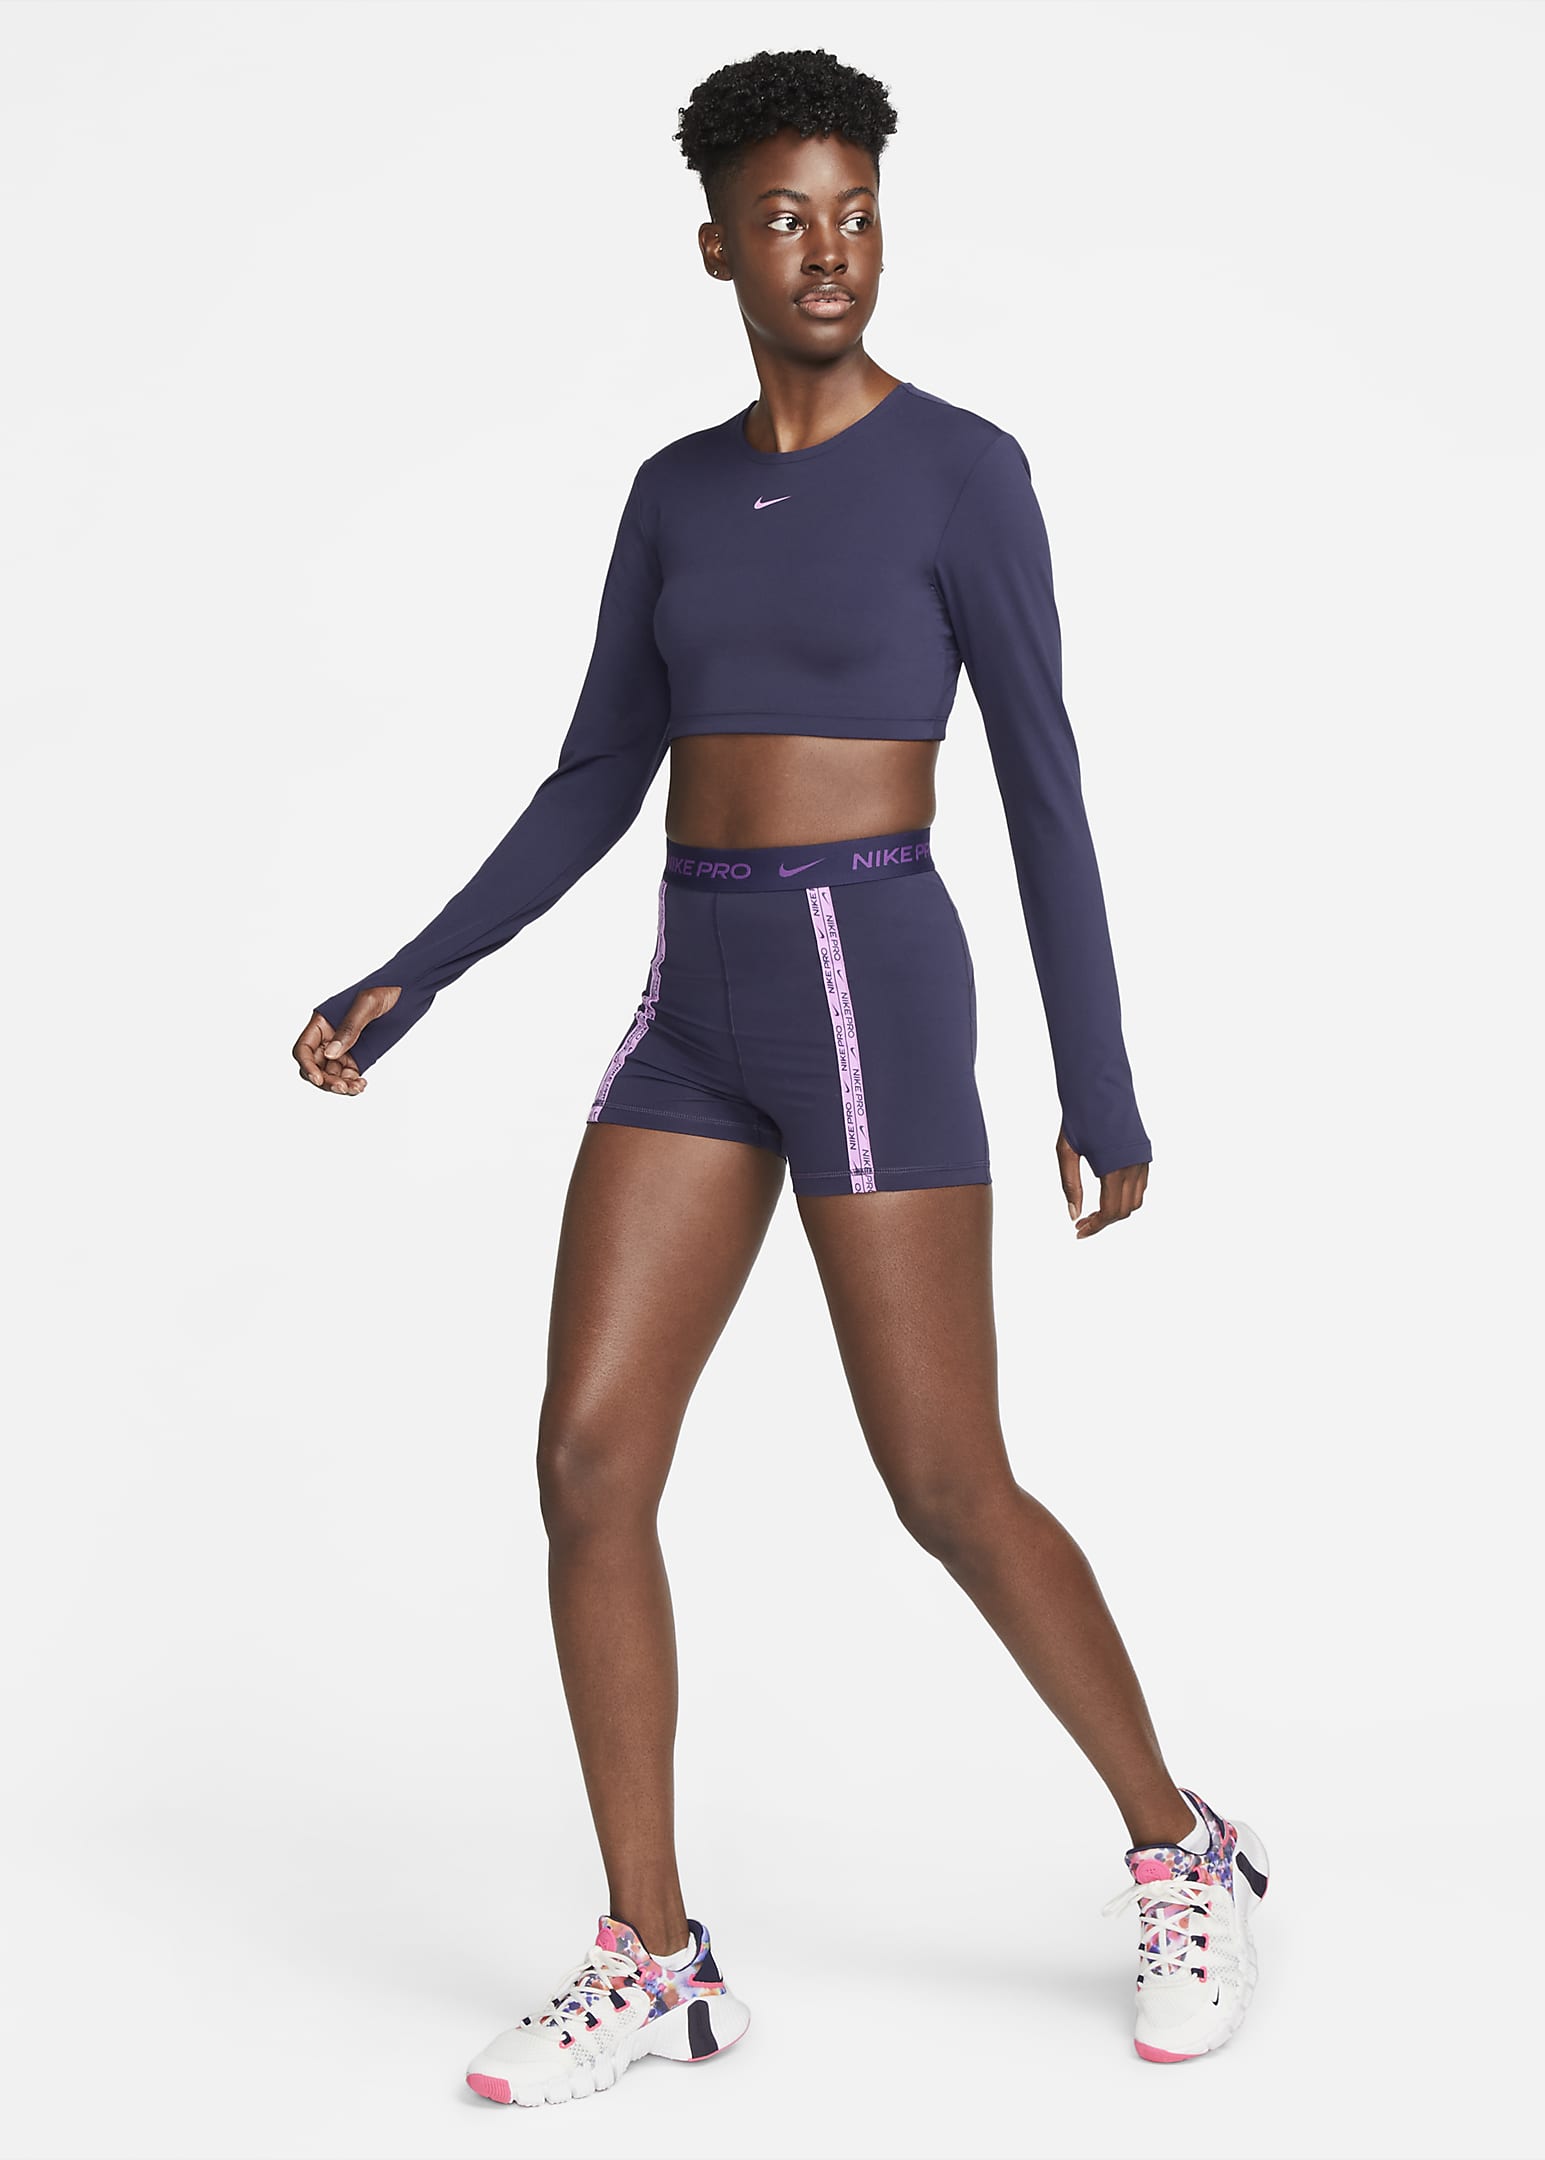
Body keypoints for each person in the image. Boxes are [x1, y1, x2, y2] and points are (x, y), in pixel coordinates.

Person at [294, 46, 1268, 2109]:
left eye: (857, 213)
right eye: (788, 219)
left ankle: (1182, 1847)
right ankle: (654, 1960)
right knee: (586, 1463)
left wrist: (1099, 1075)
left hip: (869, 977)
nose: (829, 250)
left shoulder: (962, 473)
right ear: (719, 247)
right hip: (698, 996)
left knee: (944, 1482)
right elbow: (595, 774)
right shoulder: (671, 492)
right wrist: (414, 975)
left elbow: (1045, 783)